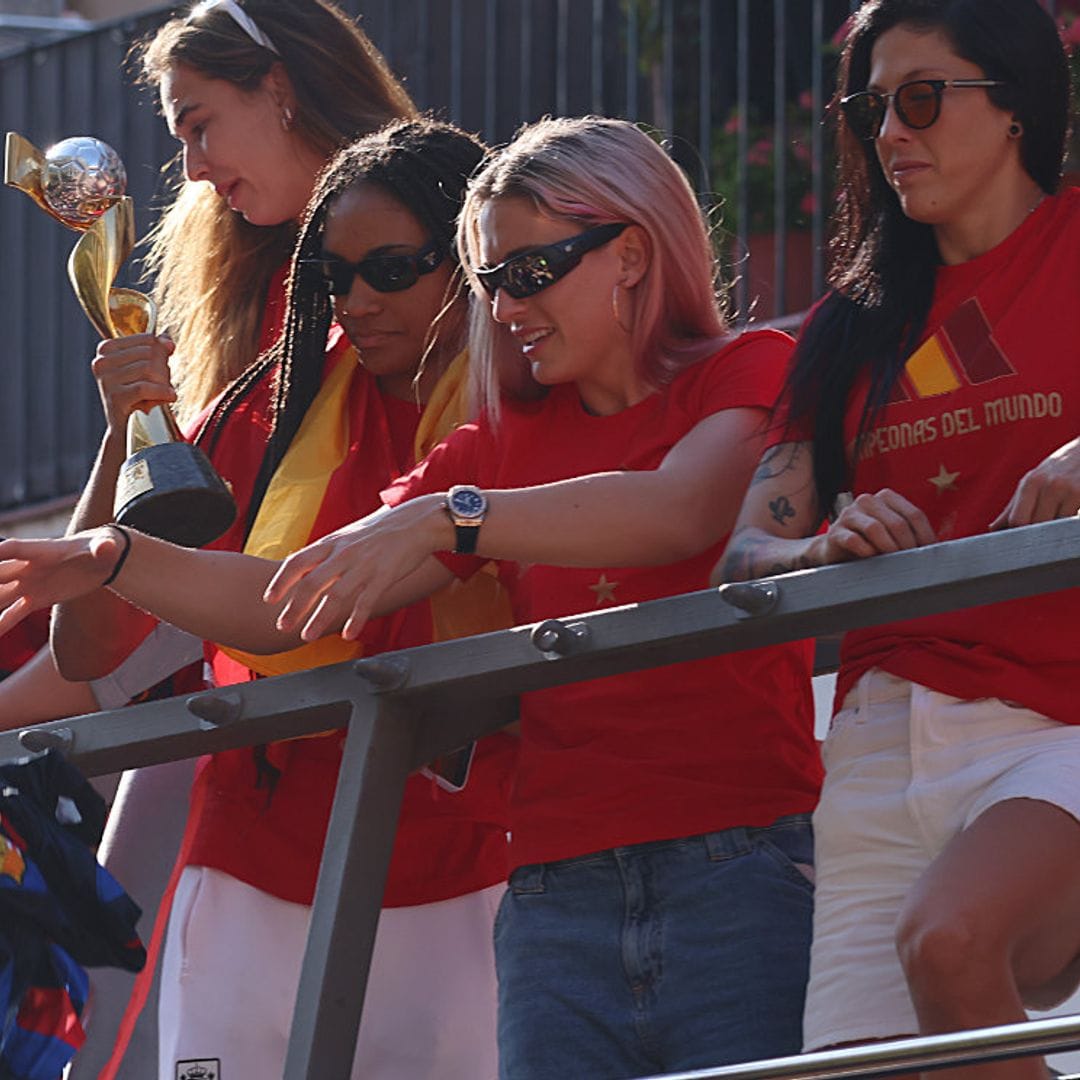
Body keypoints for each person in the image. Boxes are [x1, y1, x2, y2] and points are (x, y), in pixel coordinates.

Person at [1, 117, 824, 1078]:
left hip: (735, 861)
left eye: (527, 272)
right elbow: (290, 606)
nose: (502, 308)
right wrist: (112, 557)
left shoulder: (751, 368)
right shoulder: (492, 449)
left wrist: (450, 517)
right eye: (488, 281)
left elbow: (680, 510)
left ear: (633, 254)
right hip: (554, 888)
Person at [714, 2, 1080, 1077]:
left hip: (1055, 715)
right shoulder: (850, 323)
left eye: (922, 98)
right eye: (871, 108)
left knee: (951, 939)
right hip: (875, 744)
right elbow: (744, 558)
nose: (890, 134)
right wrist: (820, 551)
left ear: (1013, 102)